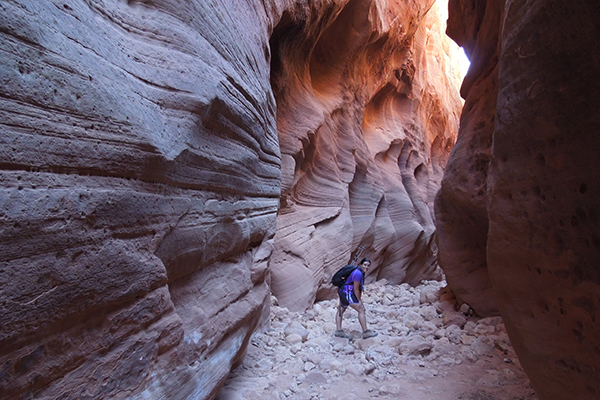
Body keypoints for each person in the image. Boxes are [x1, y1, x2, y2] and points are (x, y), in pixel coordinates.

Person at [334, 257, 378, 339]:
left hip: (343, 291)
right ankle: (365, 332)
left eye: (368, 265)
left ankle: (339, 331)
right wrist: (359, 301)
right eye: (364, 265)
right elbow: (356, 289)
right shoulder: (358, 273)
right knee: (361, 310)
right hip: (347, 292)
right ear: (361, 265)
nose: (366, 267)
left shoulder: (358, 271)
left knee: (341, 309)